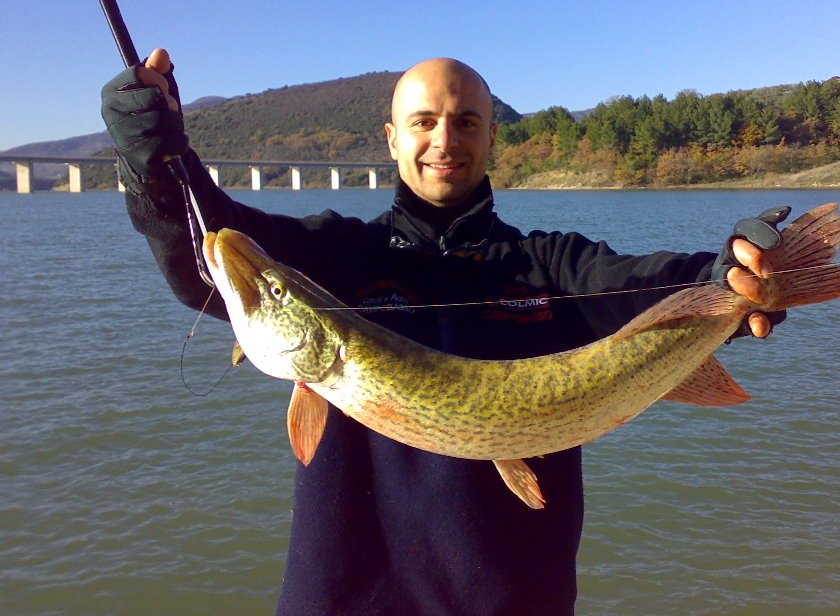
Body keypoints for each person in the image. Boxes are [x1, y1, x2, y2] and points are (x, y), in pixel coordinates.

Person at [102, 52, 786, 616]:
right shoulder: (333, 257)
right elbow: (207, 244)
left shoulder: (549, 264)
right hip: (344, 601)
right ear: (392, 138)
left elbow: (654, 285)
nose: (444, 140)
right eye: (423, 121)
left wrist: (731, 273)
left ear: (491, 138)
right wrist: (155, 156)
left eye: (465, 122)